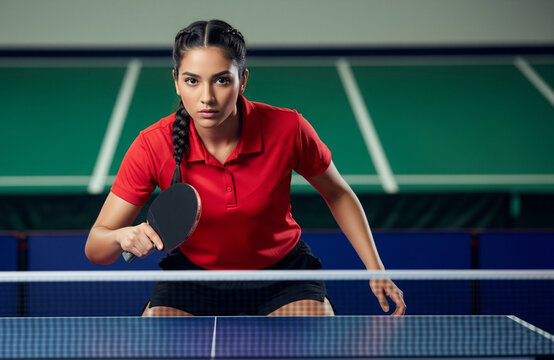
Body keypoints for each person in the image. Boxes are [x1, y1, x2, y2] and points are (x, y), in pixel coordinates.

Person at [85, 19, 405, 317]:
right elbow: (96, 247)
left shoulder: (288, 128)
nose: (206, 97)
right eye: (192, 81)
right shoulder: (152, 145)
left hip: (282, 275)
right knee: (153, 343)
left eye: (222, 80)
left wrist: (375, 268)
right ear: (176, 82)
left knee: (318, 339)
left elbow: (337, 194)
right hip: (192, 278)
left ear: (243, 80)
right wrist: (122, 237)